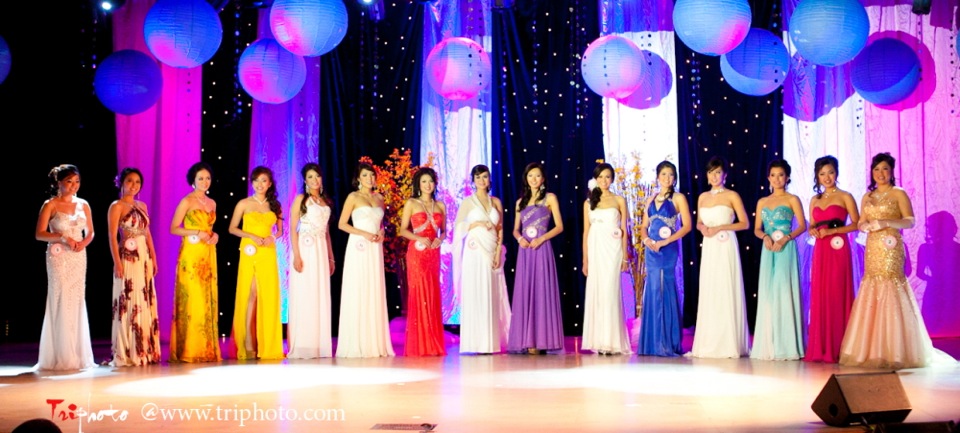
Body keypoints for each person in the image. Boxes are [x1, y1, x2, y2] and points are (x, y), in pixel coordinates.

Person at [839, 153, 938, 369]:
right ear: (872, 172)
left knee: (892, 286)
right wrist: (865, 226)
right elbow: (860, 223)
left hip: (892, 246)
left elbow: (910, 221)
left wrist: (885, 222)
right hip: (873, 247)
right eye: (877, 169)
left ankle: (896, 349)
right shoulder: (867, 196)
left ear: (891, 171)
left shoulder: (898, 193)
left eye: (885, 169)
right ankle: (871, 348)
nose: (881, 174)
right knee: (872, 285)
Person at [34, 164, 96, 371]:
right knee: (61, 298)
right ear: (58, 183)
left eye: (76, 181)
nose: (73, 186)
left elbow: (90, 232)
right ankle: (60, 354)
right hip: (58, 256)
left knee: (76, 299)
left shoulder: (84, 204)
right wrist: (62, 237)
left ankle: (77, 354)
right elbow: (39, 233)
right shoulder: (50, 205)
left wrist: (83, 243)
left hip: (78, 256)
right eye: (68, 181)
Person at [687, 156, 750, 359]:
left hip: (725, 244)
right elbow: (698, 222)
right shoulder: (702, 197)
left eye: (718, 172)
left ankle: (729, 342)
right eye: (711, 172)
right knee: (710, 288)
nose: (714, 176)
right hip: (710, 245)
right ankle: (709, 341)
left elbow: (744, 223)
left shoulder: (732, 195)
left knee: (726, 286)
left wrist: (720, 226)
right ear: (707, 175)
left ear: (724, 174)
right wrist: (703, 227)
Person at [336, 162, 395, 358]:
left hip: (375, 247)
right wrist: (364, 234)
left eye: (372, 175)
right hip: (358, 246)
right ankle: (356, 342)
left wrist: (381, 232)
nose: (370, 179)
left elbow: (381, 223)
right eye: (365, 175)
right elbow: (342, 224)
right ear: (358, 178)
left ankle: (374, 342)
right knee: (358, 287)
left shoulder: (379, 198)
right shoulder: (353, 197)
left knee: (373, 288)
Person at [750, 159, 806, 361]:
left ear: (787, 177)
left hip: (785, 248)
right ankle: (768, 343)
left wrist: (786, 239)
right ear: (768, 178)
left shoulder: (793, 199)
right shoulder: (763, 201)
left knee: (783, 290)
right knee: (768, 292)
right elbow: (757, 228)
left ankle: (787, 344)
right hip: (768, 250)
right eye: (773, 175)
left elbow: (802, 226)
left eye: (781, 175)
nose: (777, 179)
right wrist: (765, 236)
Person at [804, 155, 858, 363]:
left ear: (837, 173)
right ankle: (822, 346)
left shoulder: (845, 196)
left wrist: (833, 232)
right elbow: (812, 226)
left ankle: (840, 345)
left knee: (837, 292)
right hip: (821, 250)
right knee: (821, 293)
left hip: (838, 248)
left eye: (831, 172)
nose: (827, 177)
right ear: (817, 176)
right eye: (822, 174)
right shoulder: (815, 200)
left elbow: (856, 224)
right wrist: (814, 231)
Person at [507, 162, 565, 355]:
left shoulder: (550, 198)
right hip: (525, 252)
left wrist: (541, 238)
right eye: (530, 176)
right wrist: (520, 238)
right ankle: (528, 339)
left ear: (543, 179)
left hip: (541, 248)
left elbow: (559, 226)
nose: (534, 179)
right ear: (526, 178)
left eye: (537, 176)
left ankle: (542, 338)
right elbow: (515, 229)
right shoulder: (520, 202)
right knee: (526, 291)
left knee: (541, 290)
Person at [228, 166, 284, 360]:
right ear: (252, 182)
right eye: (257, 180)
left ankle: (267, 344)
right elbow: (232, 228)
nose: (260, 184)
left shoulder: (274, 205)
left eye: (264, 181)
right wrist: (251, 235)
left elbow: (279, 230)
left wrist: (272, 237)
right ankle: (248, 343)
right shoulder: (244, 203)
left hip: (267, 252)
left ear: (270, 184)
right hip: (250, 251)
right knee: (250, 294)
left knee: (266, 295)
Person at [637, 161, 692, 357]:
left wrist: (666, 241)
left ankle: (667, 342)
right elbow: (644, 226)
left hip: (668, 249)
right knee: (652, 289)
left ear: (674, 178)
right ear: (658, 177)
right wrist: (646, 239)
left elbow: (687, 226)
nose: (667, 178)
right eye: (663, 174)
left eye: (670, 175)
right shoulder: (650, 199)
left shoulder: (678, 198)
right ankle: (652, 344)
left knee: (665, 287)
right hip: (652, 250)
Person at [455, 164, 511, 354]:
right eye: (478, 177)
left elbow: (500, 228)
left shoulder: (495, 202)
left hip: (491, 249)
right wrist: (477, 223)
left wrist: (497, 252)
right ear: (473, 181)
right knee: (476, 291)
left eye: (485, 177)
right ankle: (475, 342)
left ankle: (490, 341)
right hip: (474, 249)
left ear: (489, 179)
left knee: (492, 292)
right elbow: (458, 228)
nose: (481, 180)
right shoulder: (467, 203)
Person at [108, 167, 161, 366]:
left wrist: (154, 258)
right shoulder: (117, 206)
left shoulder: (142, 205)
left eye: (137, 182)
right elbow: (112, 236)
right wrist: (117, 262)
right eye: (130, 181)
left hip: (143, 258)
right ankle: (128, 350)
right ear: (121, 182)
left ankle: (145, 349)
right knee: (129, 299)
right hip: (128, 257)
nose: (134, 185)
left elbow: (147, 233)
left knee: (144, 299)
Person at [169, 162, 221, 362]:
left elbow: (209, 228)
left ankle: (206, 349)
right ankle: (190, 349)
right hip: (191, 255)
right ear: (193, 180)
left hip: (208, 253)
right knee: (193, 299)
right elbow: (174, 228)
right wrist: (195, 232)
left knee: (207, 299)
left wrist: (213, 235)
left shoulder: (212, 203)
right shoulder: (187, 201)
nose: (205, 182)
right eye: (201, 178)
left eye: (207, 178)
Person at [581, 163, 631, 355]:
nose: (604, 180)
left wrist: (625, 255)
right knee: (597, 292)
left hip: (613, 248)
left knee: (611, 291)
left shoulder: (619, 200)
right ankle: (599, 341)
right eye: (600, 177)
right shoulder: (588, 202)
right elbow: (586, 232)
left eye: (608, 177)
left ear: (612, 179)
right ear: (596, 179)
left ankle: (613, 341)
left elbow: (625, 229)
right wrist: (585, 260)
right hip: (595, 249)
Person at [287, 163, 335, 359]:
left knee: (319, 293)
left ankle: (319, 345)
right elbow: (292, 227)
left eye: (317, 176)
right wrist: (297, 255)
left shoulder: (325, 202)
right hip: (306, 248)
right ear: (305, 181)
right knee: (305, 292)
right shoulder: (301, 200)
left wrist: (331, 256)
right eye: (310, 177)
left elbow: (327, 232)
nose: (315, 180)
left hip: (321, 249)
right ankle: (303, 345)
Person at [399, 167, 447, 356]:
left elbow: (444, 231)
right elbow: (403, 230)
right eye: (424, 181)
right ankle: (419, 344)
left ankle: (433, 342)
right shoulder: (411, 203)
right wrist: (418, 238)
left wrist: (440, 239)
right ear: (419, 184)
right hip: (417, 254)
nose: (428, 185)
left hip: (433, 253)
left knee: (432, 292)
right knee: (419, 293)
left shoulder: (440, 205)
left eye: (431, 181)